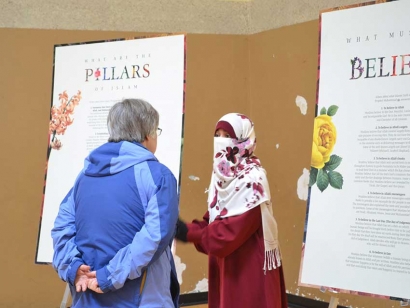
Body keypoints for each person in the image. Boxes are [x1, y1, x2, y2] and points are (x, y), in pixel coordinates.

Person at [51, 98, 180, 308]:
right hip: (143, 299)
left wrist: (73, 268)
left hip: (86, 296)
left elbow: (61, 228)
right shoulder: (159, 176)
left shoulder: (84, 176)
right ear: (148, 134)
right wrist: (109, 275)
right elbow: (156, 236)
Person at [176, 113, 288, 308]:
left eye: (227, 135)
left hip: (248, 267)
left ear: (244, 140)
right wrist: (187, 228)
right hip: (229, 263)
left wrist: (189, 233)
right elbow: (214, 218)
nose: (220, 141)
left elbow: (229, 233)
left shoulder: (253, 180)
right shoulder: (223, 176)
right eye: (217, 134)